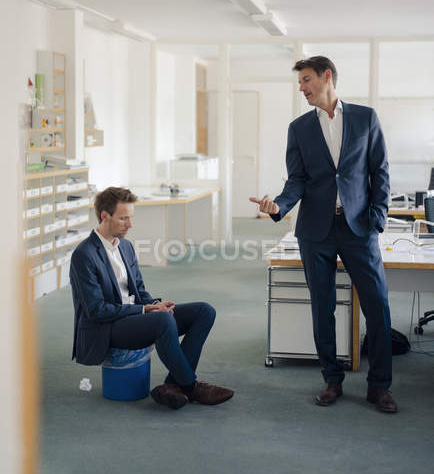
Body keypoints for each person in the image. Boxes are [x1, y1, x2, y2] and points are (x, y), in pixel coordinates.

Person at [250, 55, 397, 413]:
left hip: (358, 227)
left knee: (377, 307)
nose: (301, 88)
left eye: (305, 80)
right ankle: (332, 380)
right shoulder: (299, 128)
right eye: (300, 82)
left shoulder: (365, 118)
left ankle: (379, 386)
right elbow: (297, 179)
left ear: (326, 76)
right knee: (323, 308)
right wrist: (279, 207)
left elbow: (379, 171)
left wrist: (377, 217)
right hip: (315, 231)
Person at [70, 186, 233, 410]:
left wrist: (155, 304)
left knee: (204, 311)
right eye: (123, 218)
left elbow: (139, 290)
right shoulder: (84, 255)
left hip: (134, 319)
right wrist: (145, 311)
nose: (130, 225)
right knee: (162, 321)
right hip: (107, 328)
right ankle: (191, 386)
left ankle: (172, 386)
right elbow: (96, 310)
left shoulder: (125, 246)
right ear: (104, 216)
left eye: (131, 217)